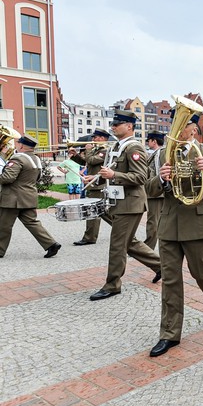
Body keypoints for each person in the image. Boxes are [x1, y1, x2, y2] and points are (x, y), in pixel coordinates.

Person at [145, 118, 203, 357]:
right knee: (170, 279)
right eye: (175, 124)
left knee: (201, 271)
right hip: (169, 224)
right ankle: (169, 333)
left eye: (184, 124)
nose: (178, 130)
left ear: (194, 128)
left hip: (199, 222)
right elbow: (148, 189)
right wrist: (160, 178)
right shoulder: (162, 155)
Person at [88, 110, 161, 301]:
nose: (112, 127)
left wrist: (114, 176)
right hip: (118, 202)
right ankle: (162, 266)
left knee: (118, 245)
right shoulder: (117, 147)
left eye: (117, 124)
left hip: (130, 203)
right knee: (130, 243)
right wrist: (97, 179)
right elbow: (111, 174)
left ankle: (112, 285)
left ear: (129, 126)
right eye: (113, 124)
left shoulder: (133, 148)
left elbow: (140, 177)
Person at [0, 134, 61, 259]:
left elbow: (7, 178)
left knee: (3, 225)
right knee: (32, 223)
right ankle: (51, 244)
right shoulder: (36, 159)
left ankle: (0, 251)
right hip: (29, 196)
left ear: (21, 145)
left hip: (13, 198)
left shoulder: (18, 159)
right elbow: (38, 178)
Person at [73, 129, 111, 246]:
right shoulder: (97, 150)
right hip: (93, 185)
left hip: (99, 185)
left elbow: (92, 160)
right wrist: (75, 156)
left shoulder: (104, 151)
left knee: (96, 212)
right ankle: (90, 237)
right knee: (99, 212)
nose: (93, 139)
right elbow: (86, 162)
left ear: (103, 138)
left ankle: (89, 237)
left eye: (95, 137)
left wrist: (88, 150)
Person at [144, 131, 165, 250]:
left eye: (149, 140)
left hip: (156, 192)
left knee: (153, 221)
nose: (148, 143)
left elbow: (155, 173)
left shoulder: (158, 154)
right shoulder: (161, 153)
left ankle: (148, 247)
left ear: (154, 141)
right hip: (160, 191)